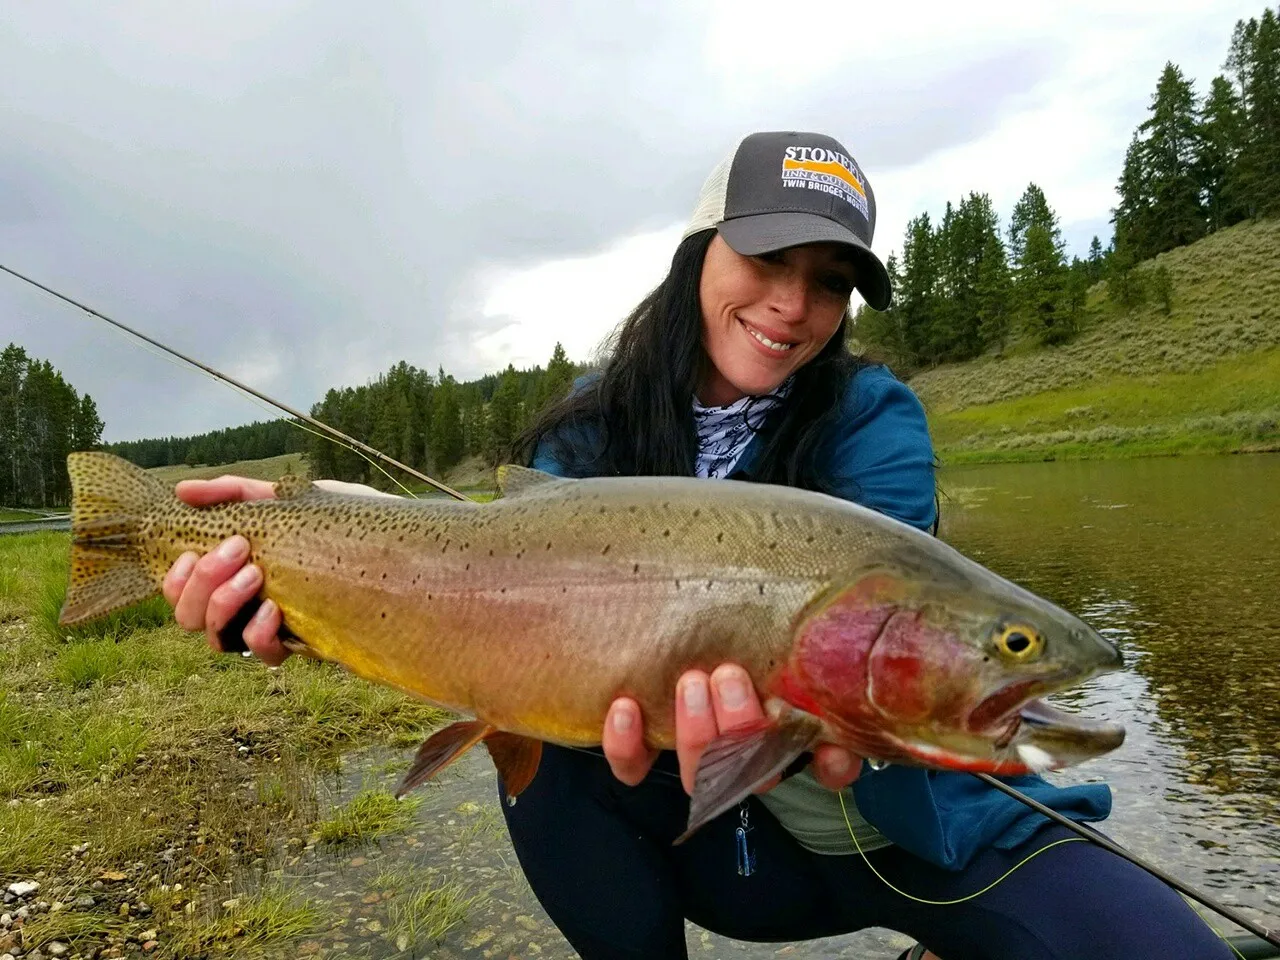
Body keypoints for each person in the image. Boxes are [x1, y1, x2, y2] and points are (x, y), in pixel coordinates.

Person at [161, 131, 1232, 960]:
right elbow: (470, 594)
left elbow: (885, 653)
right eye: (768, 256)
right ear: (697, 253)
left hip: (890, 833)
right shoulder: (590, 421)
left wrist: (964, 687)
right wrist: (283, 573)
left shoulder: (873, 420)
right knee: (546, 759)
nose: (791, 303)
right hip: (680, 839)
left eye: (828, 281)